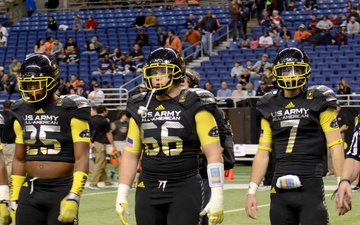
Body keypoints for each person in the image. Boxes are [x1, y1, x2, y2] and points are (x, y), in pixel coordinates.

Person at [115, 47, 224, 225]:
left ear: (177, 72)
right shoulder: (139, 104)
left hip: (184, 185)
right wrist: (122, 192)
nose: (157, 77)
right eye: (153, 72)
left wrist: (218, 193)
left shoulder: (195, 103)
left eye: (162, 71)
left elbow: (213, 154)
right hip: (148, 186)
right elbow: (130, 154)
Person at [245, 47, 345, 225]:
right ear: (276, 73)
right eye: (285, 70)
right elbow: (263, 151)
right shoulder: (269, 104)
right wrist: (252, 190)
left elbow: (335, 145)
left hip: (310, 185)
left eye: (296, 70)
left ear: (305, 71)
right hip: (279, 188)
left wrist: (341, 182)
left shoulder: (318, 99)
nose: (291, 75)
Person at [9, 53, 91, 224]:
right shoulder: (20, 110)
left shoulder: (71, 108)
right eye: (28, 84)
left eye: (36, 84)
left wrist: (75, 194)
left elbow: (82, 157)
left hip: (61, 188)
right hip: (30, 189)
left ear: (52, 81)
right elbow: (19, 159)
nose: (31, 89)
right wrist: (14, 197)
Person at [89, 105, 116, 189]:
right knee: (100, 162)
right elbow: (108, 133)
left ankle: (107, 181)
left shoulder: (92, 119)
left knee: (103, 162)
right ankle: (93, 183)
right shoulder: (104, 121)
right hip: (100, 143)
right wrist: (113, 145)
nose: (107, 112)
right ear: (104, 111)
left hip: (94, 143)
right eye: (106, 110)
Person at [0, 100, 16, 180]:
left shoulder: (0, 115)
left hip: (2, 142)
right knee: (10, 162)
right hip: (11, 143)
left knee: (3, 162)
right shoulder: (13, 116)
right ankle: (7, 181)